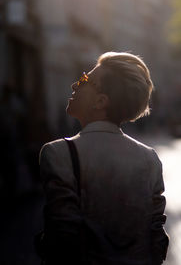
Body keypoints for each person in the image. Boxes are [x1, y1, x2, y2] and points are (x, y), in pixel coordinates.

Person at [38, 52, 169, 265]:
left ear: (100, 101)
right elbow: (156, 237)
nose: (74, 85)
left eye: (84, 80)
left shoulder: (58, 153)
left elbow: (62, 236)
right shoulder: (149, 158)